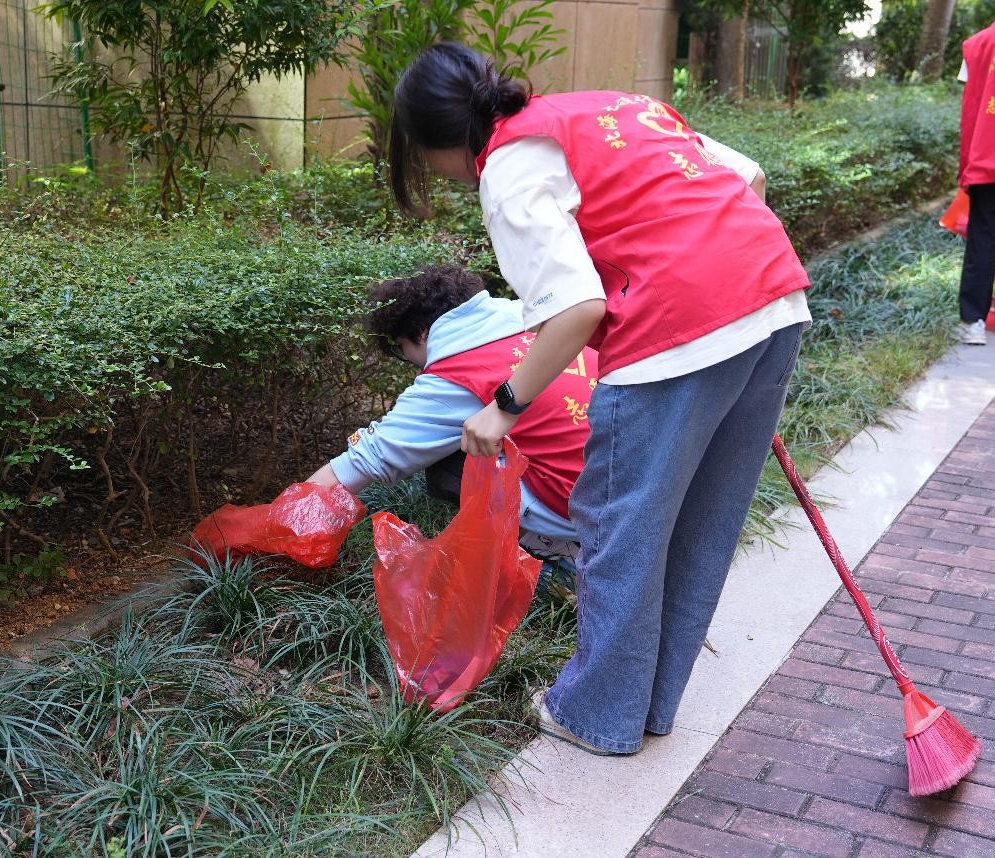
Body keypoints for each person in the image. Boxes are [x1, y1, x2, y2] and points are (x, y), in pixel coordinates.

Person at [389, 42, 810, 754]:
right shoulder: (611, 106)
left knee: (619, 525)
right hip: (773, 301)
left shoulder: (507, 168)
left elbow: (576, 308)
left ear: (434, 144)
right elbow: (750, 178)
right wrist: (734, 308)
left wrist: (503, 405)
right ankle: (647, 705)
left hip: (676, 332)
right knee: (700, 525)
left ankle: (596, 716)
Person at [304, 264, 598, 571]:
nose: (410, 360)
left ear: (422, 333)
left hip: (580, 506)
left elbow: (364, 460)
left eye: (402, 348)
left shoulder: (454, 373)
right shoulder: (541, 320)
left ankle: (552, 547)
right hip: (626, 484)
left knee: (455, 458)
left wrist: (285, 523)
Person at [956, 24, 995, 346]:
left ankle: (974, 322)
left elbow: (970, 107)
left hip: (986, 157)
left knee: (983, 237)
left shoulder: (977, 45)